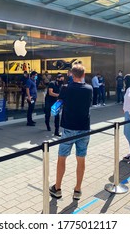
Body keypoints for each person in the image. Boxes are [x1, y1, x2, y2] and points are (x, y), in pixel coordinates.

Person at [49, 64, 92, 200]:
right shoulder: (89, 89)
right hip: (84, 128)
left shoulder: (66, 88)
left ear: (71, 75)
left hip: (68, 127)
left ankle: (58, 188)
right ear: (84, 75)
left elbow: (60, 102)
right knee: (81, 158)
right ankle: (77, 190)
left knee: (62, 157)